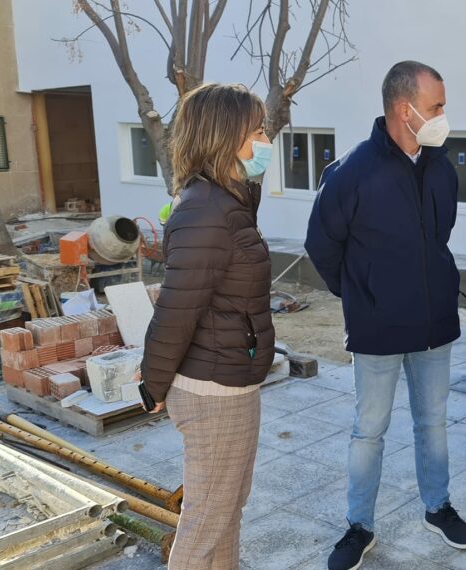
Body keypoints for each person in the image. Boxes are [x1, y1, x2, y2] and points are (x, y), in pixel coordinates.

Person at [305, 60, 466, 570]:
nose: (444, 116)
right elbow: (322, 244)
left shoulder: (440, 166)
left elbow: (439, 234)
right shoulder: (352, 172)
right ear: (405, 110)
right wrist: (361, 294)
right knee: (369, 431)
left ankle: (438, 508)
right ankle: (359, 527)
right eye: (436, 106)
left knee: (434, 424)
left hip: (434, 326)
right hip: (377, 329)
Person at [138, 82, 276, 570]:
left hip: (233, 380)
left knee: (225, 514)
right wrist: (152, 384)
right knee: (205, 524)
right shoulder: (206, 211)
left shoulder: (229, 201)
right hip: (211, 390)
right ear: (224, 135)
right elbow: (176, 310)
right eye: (257, 130)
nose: (266, 140)